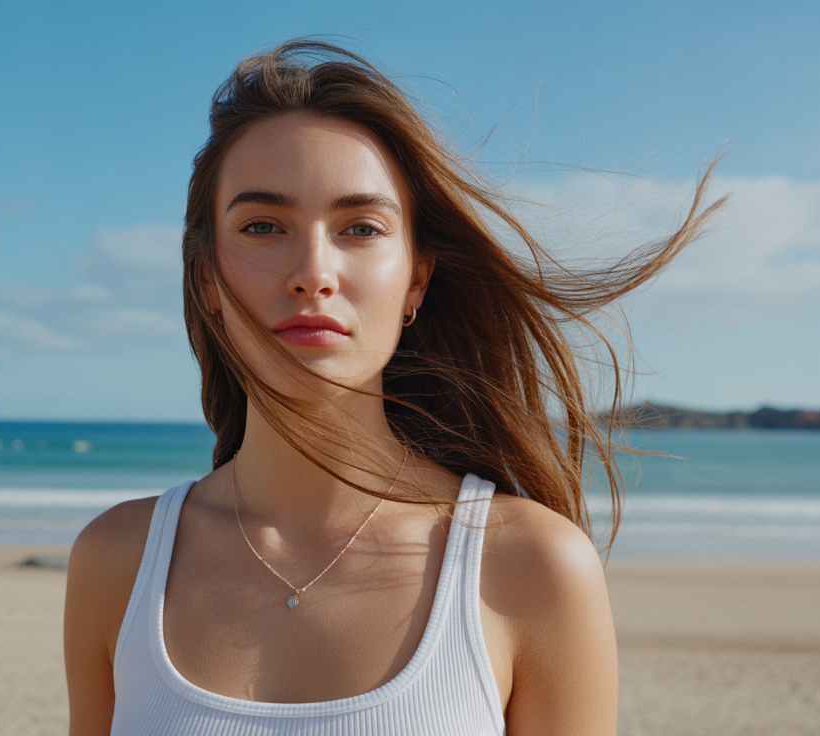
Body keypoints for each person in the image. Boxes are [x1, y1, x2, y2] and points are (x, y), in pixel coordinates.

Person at [63, 41, 721, 735]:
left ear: (415, 281)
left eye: (361, 228)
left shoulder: (530, 565)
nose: (313, 272)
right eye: (262, 226)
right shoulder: (120, 561)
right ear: (206, 283)